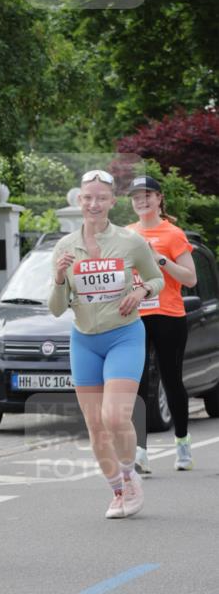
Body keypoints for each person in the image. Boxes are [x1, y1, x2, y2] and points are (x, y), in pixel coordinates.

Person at [49, 169, 164, 519]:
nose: (94, 204)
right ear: (80, 201)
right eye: (88, 198)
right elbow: (56, 309)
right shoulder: (65, 247)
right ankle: (117, 490)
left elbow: (157, 277)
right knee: (95, 426)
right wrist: (57, 280)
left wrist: (141, 289)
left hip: (124, 336)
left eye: (101, 198)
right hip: (84, 340)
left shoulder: (130, 242)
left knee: (114, 416)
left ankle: (130, 477)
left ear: (112, 202)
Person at [126, 176, 197, 474]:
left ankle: (182, 442)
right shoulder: (126, 234)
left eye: (147, 196)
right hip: (134, 317)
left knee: (171, 380)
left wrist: (159, 259)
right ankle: (140, 451)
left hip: (168, 315)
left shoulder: (173, 234)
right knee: (136, 383)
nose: (142, 202)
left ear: (159, 198)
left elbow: (191, 279)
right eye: (136, 197)